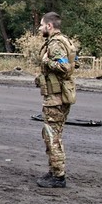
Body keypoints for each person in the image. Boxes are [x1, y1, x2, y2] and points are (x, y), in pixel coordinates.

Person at [35, 12, 78, 188]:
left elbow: (65, 67)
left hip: (56, 98)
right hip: (59, 95)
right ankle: (54, 171)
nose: (39, 28)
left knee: (52, 136)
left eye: (42, 25)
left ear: (49, 26)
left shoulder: (56, 44)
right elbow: (73, 62)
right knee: (51, 134)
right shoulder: (64, 41)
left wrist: (46, 62)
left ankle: (58, 176)